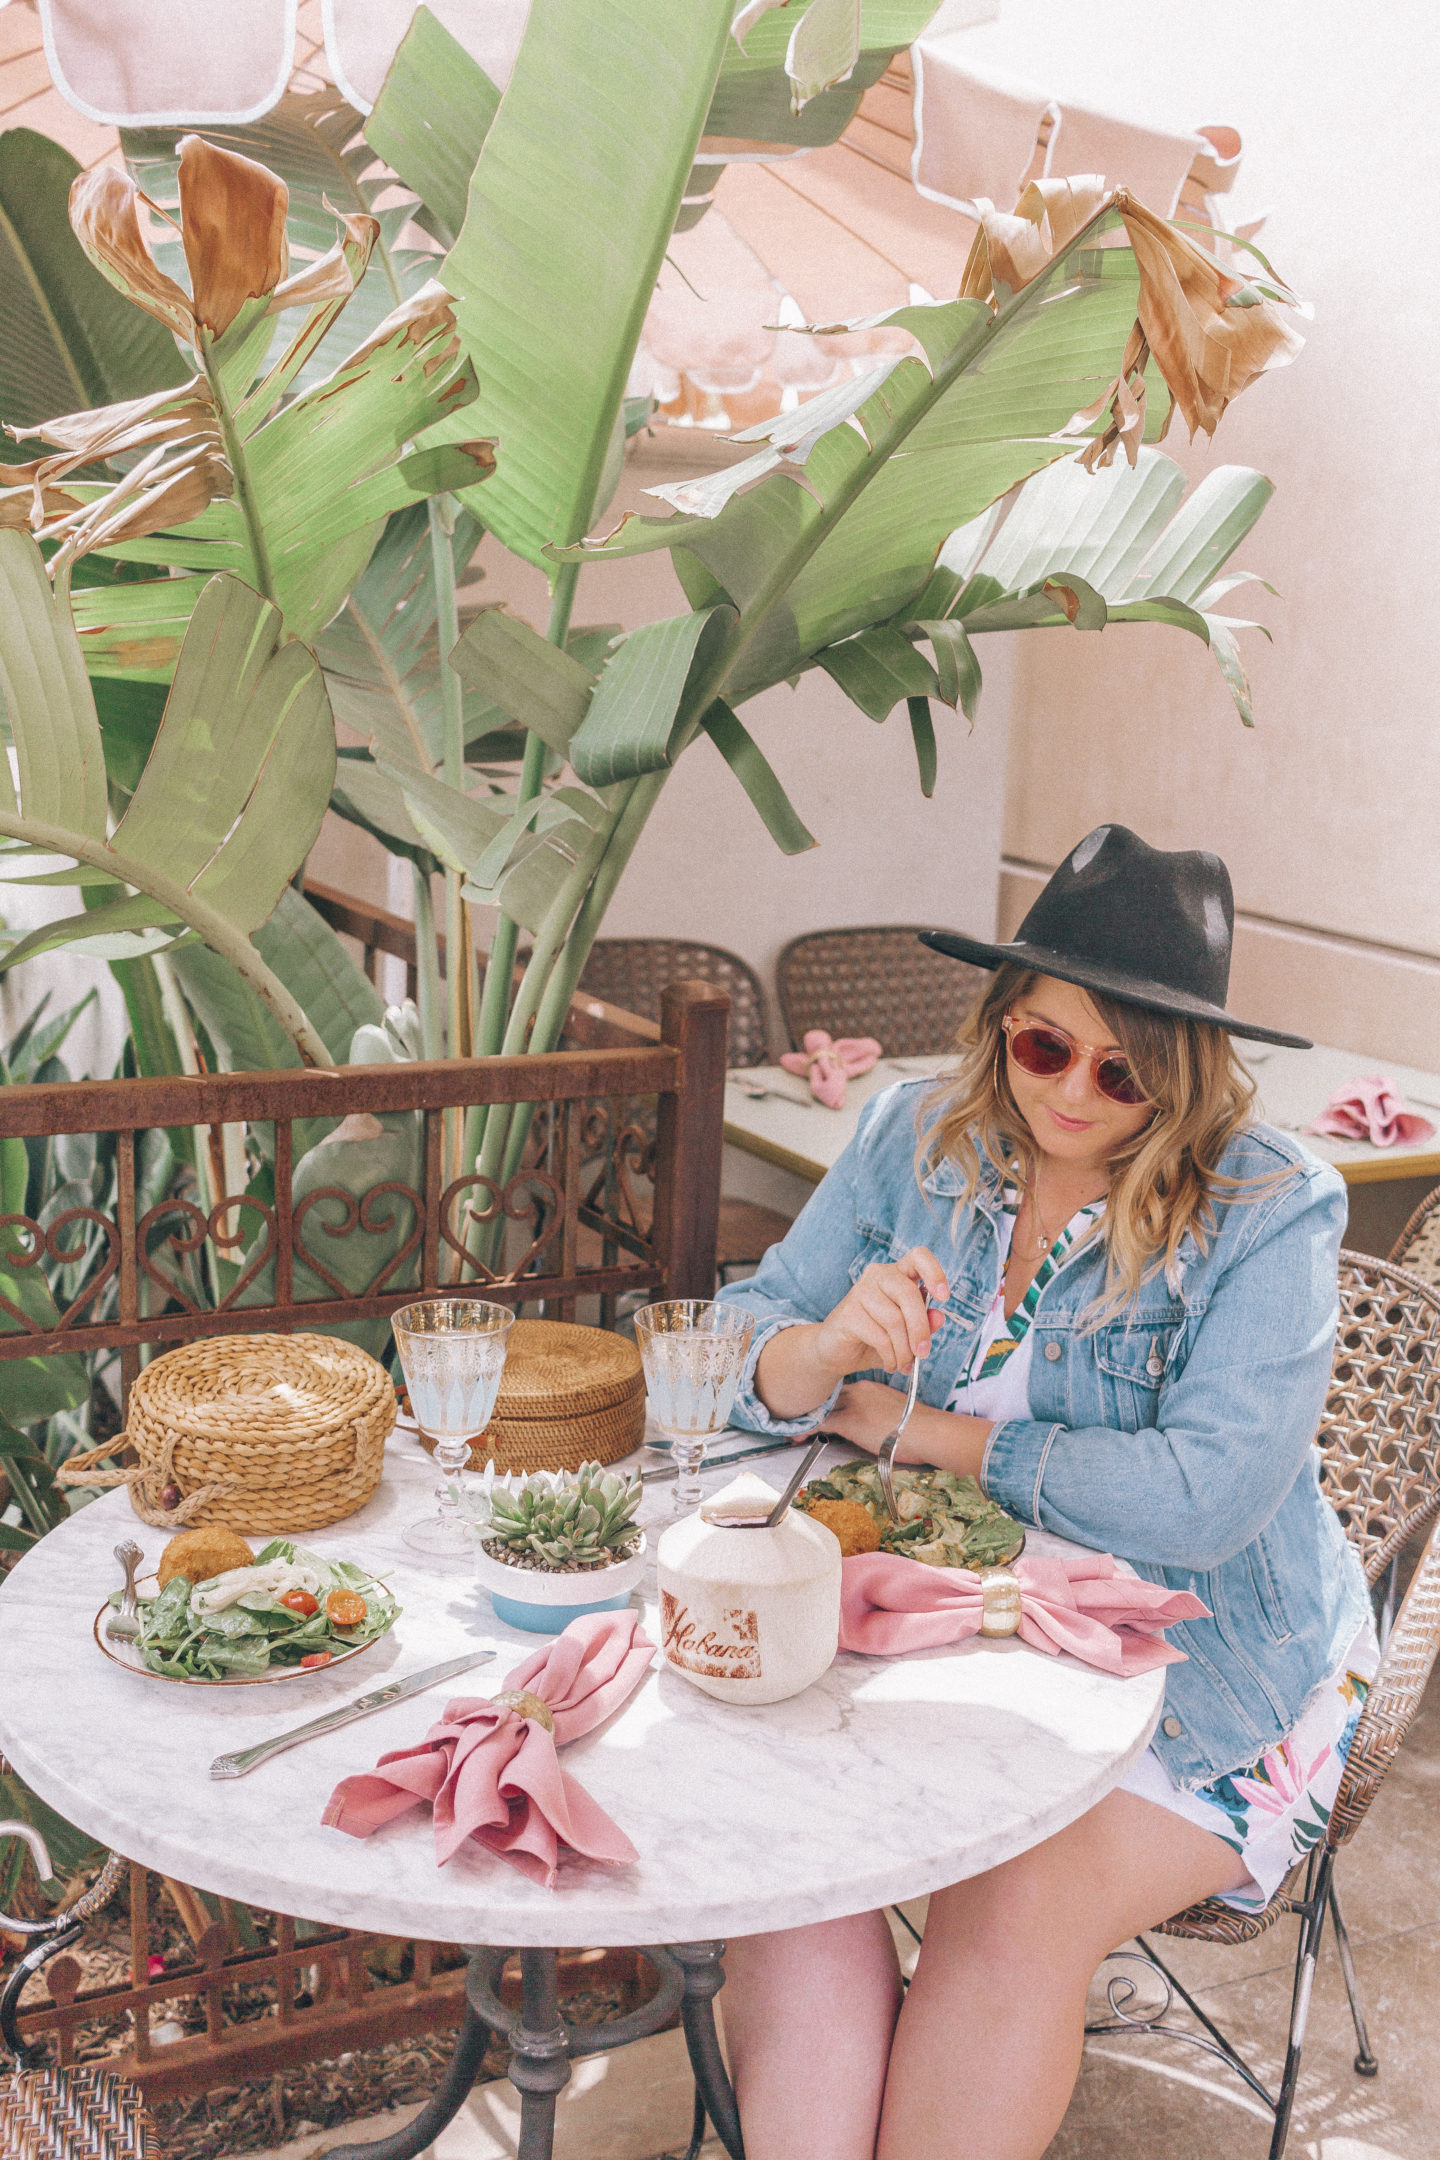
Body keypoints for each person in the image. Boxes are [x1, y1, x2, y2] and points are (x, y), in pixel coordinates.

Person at [715, 825, 1375, 2160]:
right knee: (779, 1842)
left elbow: (1206, 1499)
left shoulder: (1268, 1207)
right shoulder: (916, 1135)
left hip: (1215, 1667)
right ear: (1003, 1025)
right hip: (962, 1620)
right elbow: (737, 1346)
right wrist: (830, 1348)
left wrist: (936, 1435)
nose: (1074, 1092)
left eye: (1124, 1071)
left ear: (1184, 1077)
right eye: (1043, 1047)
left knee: (1008, 1899)